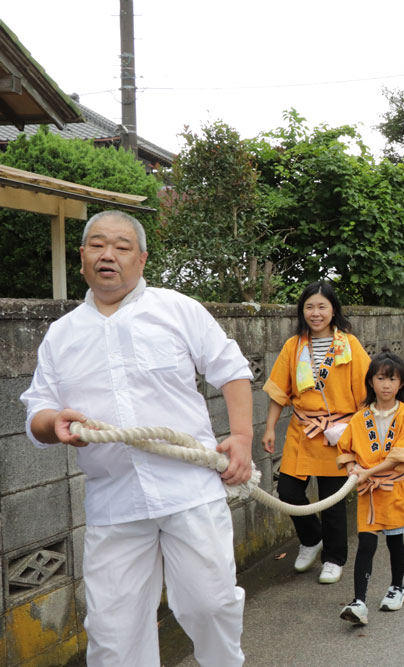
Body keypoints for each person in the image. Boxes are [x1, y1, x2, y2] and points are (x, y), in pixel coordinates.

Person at [20, 210, 251, 665]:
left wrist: (242, 436)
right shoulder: (61, 335)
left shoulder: (177, 309)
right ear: (81, 257)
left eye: (122, 246)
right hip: (113, 502)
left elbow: (232, 369)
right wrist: (54, 423)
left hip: (189, 489)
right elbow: (38, 410)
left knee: (210, 605)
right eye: (97, 244)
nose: (108, 254)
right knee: (113, 634)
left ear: (141, 259)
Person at [262, 281, 370, 584]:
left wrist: (361, 433)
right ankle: (311, 539)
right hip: (302, 430)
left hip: (337, 432)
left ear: (333, 310)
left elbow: (366, 393)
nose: (316, 313)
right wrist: (270, 427)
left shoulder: (350, 345)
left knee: (332, 500)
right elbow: (279, 391)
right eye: (309, 306)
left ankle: (334, 559)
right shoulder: (294, 346)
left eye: (322, 306)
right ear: (302, 311)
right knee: (288, 491)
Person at [336, 351, 404, 626]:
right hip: (369, 492)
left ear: (401, 384)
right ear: (371, 381)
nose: (386, 385)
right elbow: (345, 448)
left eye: (392, 379)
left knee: (395, 541)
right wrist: (351, 467)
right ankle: (359, 601)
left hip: (395, 489)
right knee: (366, 543)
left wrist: (367, 472)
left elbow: (399, 456)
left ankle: (397, 587)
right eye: (380, 378)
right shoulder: (360, 417)